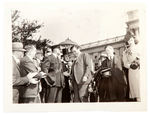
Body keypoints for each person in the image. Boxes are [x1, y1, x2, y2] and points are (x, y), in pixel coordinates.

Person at [122, 30, 140, 101]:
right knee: (137, 93)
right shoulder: (125, 52)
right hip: (132, 72)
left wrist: (139, 62)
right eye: (128, 40)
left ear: (133, 38)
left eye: (131, 39)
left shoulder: (140, 47)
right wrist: (130, 66)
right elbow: (125, 63)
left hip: (141, 70)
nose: (130, 41)